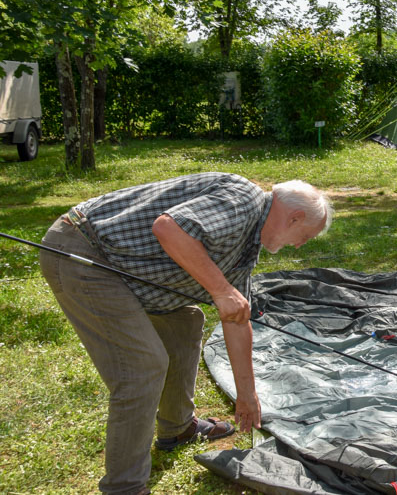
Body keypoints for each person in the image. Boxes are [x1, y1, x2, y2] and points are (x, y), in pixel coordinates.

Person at [37, 173, 331, 495]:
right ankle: (124, 487)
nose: (300, 244)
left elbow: (236, 319)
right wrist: (220, 289)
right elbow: (168, 228)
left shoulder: (248, 245)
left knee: (186, 322)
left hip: (123, 268)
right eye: (305, 236)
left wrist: (248, 395)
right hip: (85, 253)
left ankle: (177, 428)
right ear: (295, 217)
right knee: (143, 365)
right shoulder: (244, 198)